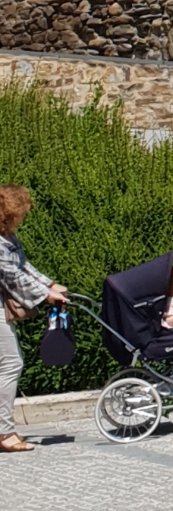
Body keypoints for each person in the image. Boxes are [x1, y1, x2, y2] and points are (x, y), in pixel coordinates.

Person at [0, 186, 68, 456]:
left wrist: (50, 284)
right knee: (11, 362)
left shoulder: (8, 238)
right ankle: (4, 432)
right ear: (9, 214)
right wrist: (45, 295)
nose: (23, 217)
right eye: (20, 214)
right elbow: (11, 277)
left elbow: (24, 267)